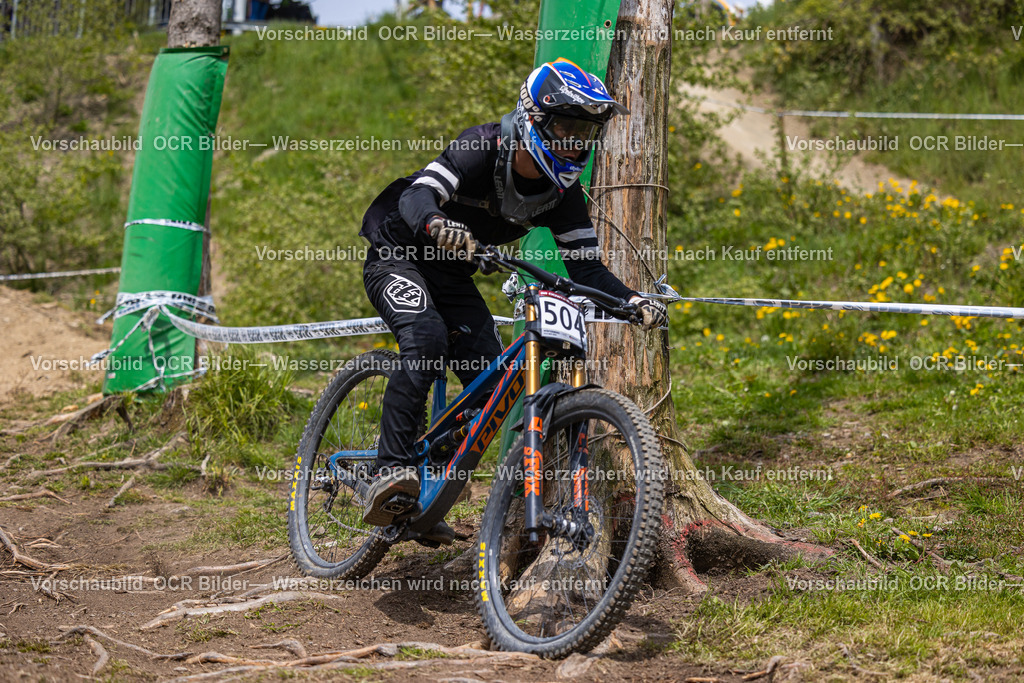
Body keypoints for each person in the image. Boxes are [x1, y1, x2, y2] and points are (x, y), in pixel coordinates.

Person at [358, 58, 667, 535]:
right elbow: (416, 195)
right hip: (398, 255)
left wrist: (631, 301)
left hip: (451, 275)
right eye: (564, 127)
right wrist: (437, 223)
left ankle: (420, 493)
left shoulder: (562, 196)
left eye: (584, 133)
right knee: (427, 339)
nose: (574, 142)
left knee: (491, 385)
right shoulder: (481, 146)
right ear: (532, 119)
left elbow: (586, 269)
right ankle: (388, 471)